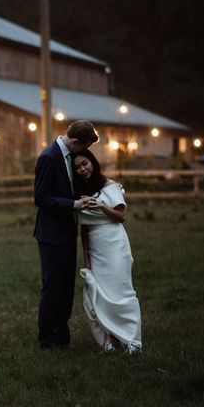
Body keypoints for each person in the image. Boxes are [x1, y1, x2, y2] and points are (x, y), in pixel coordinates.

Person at [33, 120, 99, 349]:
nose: (84, 152)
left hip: (67, 232)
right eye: (83, 147)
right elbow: (40, 198)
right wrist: (73, 204)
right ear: (75, 141)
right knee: (53, 288)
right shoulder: (48, 157)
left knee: (66, 288)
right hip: (51, 235)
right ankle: (47, 339)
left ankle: (62, 336)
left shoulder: (69, 156)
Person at [72, 148, 142, 354]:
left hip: (114, 244)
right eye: (77, 167)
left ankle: (132, 341)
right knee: (98, 294)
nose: (82, 169)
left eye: (85, 163)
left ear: (92, 162)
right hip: (95, 247)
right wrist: (86, 256)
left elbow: (121, 217)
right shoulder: (79, 193)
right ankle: (112, 341)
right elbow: (84, 228)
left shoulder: (109, 186)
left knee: (120, 292)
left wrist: (101, 206)